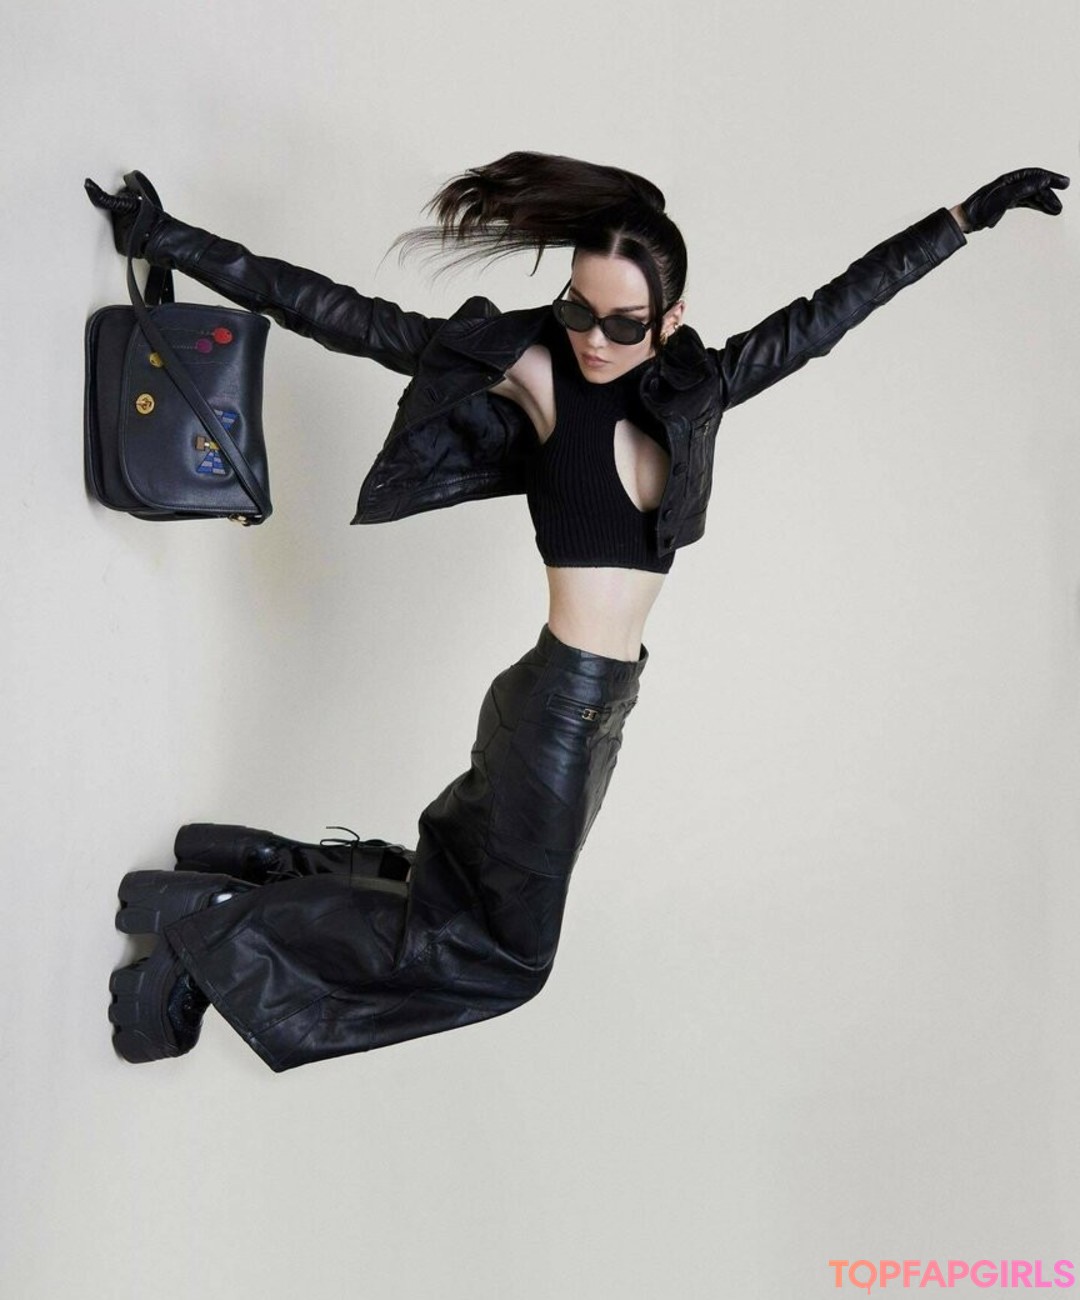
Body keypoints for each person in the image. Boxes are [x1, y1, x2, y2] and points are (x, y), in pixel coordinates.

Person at [87, 154, 1068, 1072]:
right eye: (577, 310)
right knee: (505, 960)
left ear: (673, 318)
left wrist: (960, 220)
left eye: (624, 324)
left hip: (592, 707)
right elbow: (343, 314)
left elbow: (834, 308)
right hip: (556, 705)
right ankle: (202, 941)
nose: (594, 339)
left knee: (453, 887)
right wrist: (168, 240)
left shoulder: (704, 388)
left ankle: (259, 873)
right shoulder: (535, 372)